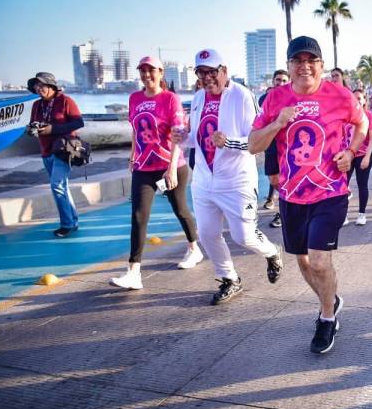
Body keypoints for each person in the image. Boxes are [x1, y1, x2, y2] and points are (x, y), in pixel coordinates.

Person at [249, 36, 369, 354]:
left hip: (330, 192)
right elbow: (253, 145)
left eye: (311, 60)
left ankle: (327, 318)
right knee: (302, 262)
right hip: (291, 195)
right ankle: (331, 299)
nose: (305, 67)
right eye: (298, 61)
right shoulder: (275, 99)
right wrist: (277, 123)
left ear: (321, 65)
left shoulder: (340, 95)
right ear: (289, 66)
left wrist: (352, 151)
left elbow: (364, 123)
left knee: (319, 260)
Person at [172, 48, 283, 305]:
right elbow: (200, 140)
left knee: (243, 236)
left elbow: (257, 141)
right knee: (208, 234)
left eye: (211, 71)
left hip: (236, 181)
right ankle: (229, 279)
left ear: (224, 71)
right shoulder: (199, 97)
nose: (206, 77)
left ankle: (272, 252)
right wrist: (183, 139)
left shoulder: (242, 96)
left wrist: (229, 142)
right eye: (201, 73)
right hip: (204, 180)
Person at [110, 56, 202, 290]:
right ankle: (133, 272)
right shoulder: (134, 98)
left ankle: (194, 248)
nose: (146, 75)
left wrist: (171, 168)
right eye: (142, 71)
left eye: (151, 70)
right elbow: (135, 131)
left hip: (169, 165)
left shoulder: (170, 99)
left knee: (180, 209)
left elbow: (177, 134)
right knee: (139, 216)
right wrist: (132, 155)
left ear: (161, 73)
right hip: (143, 167)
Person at [26, 72, 83, 238]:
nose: (38, 88)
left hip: (63, 150)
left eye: (42, 85)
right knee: (62, 186)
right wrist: (32, 129)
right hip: (45, 150)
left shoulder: (65, 101)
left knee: (56, 185)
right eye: (36, 86)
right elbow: (32, 124)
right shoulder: (37, 105)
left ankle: (67, 225)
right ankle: (73, 220)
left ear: (51, 86)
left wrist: (53, 129)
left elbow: (79, 122)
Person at [259, 70, 290, 230]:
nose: (281, 83)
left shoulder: (294, 98)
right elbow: (259, 122)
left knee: (288, 179)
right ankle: (286, 203)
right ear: (273, 81)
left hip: (289, 146)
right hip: (270, 144)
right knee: (274, 180)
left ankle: (283, 211)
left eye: (285, 80)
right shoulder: (264, 99)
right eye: (278, 80)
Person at [347, 89, 372, 225]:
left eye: (359, 98)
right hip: (348, 156)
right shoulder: (346, 116)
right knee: (342, 187)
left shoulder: (369, 116)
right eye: (354, 98)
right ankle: (343, 215)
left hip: (362, 155)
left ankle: (361, 214)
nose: (357, 101)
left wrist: (367, 156)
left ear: (364, 100)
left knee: (362, 185)